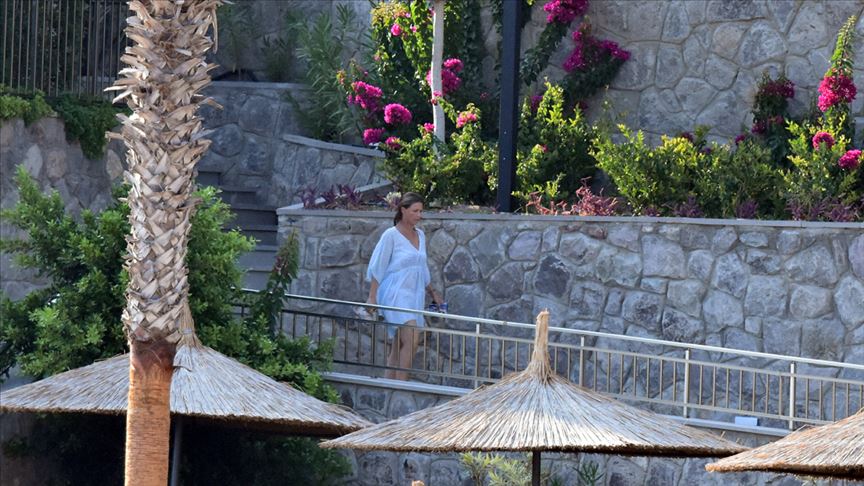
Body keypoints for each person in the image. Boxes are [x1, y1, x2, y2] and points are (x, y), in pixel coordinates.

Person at [366, 192, 442, 380]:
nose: (419, 215)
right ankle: (402, 386)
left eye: (421, 211)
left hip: (414, 295)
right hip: (395, 293)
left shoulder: (421, 235)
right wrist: (372, 297)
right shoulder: (390, 235)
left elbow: (422, 267)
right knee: (412, 337)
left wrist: (433, 293)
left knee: (399, 343)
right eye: (415, 211)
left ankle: (388, 385)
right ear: (403, 210)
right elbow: (378, 266)